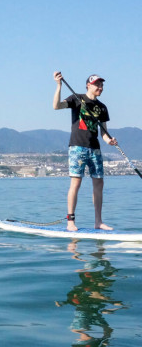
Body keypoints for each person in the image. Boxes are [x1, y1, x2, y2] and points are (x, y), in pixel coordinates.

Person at [53, 72, 118, 231]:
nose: (100, 87)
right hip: (77, 146)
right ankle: (70, 222)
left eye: (102, 85)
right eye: (97, 84)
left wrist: (109, 140)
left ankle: (98, 222)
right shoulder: (76, 98)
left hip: (95, 148)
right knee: (76, 183)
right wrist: (59, 86)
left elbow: (103, 132)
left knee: (99, 183)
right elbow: (56, 106)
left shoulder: (102, 107)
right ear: (88, 85)